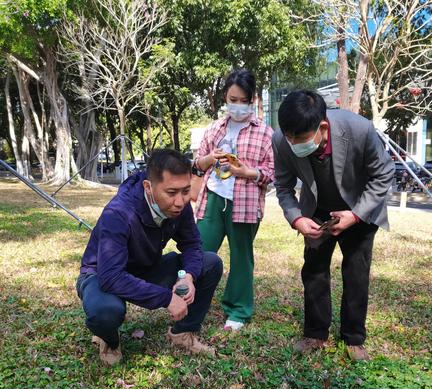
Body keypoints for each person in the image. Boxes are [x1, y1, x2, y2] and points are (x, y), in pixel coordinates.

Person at [272, 90, 394, 361]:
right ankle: (315, 333)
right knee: (313, 271)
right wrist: (297, 218)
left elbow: (383, 175)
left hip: (358, 207)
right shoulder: (282, 139)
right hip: (316, 210)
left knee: (356, 272)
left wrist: (355, 215)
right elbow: (282, 186)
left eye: (299, 139)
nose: (292, 144)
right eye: (288, 137)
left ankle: (353, 337)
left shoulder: (359, 130)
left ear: (322, 127)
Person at [76, 149, 223, 365]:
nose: (181, 201)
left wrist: (188, 276)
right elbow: (111, 277)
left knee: (210, 263)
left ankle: (183, 332)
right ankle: (109, 339)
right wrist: (166, 298)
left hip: (145, 268)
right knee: (105, 311)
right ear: (148, 187)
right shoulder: (118, 213)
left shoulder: (179, 207)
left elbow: (192, 244)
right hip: (102, 275)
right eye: (171, 193)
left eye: (185, 191)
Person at [193, 69, 274, 331]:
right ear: (225, 98)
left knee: (241, 257)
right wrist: (210, 159)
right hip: (212, 200)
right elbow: (198, 163)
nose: (237, 106)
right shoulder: (215, 128)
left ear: (253, 100)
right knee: (199, 252)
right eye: (232, 99)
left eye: (243, 100)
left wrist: (247, 172)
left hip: (245, 204)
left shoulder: (265, 133)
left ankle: (238, 311)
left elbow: (272, 173)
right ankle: (189, 301)